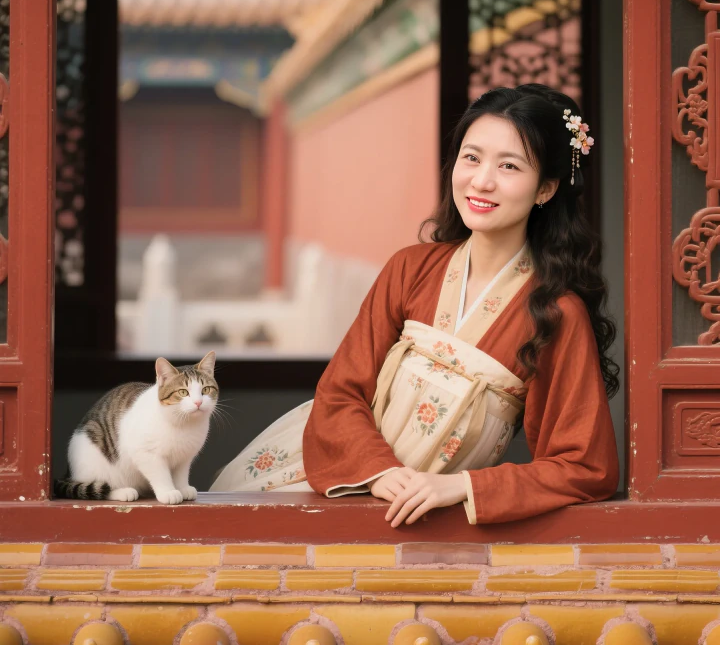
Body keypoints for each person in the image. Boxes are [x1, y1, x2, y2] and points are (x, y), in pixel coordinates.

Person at [210, 84, 619, 526]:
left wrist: (463, 486)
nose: (481, 180)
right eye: (471, 157)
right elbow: (340, 390)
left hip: (423, 509)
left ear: (545, 189)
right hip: (333, 473)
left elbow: (584, 466)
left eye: (509, 166)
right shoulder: (409, 268)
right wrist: (377, 469)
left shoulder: (556, 312)